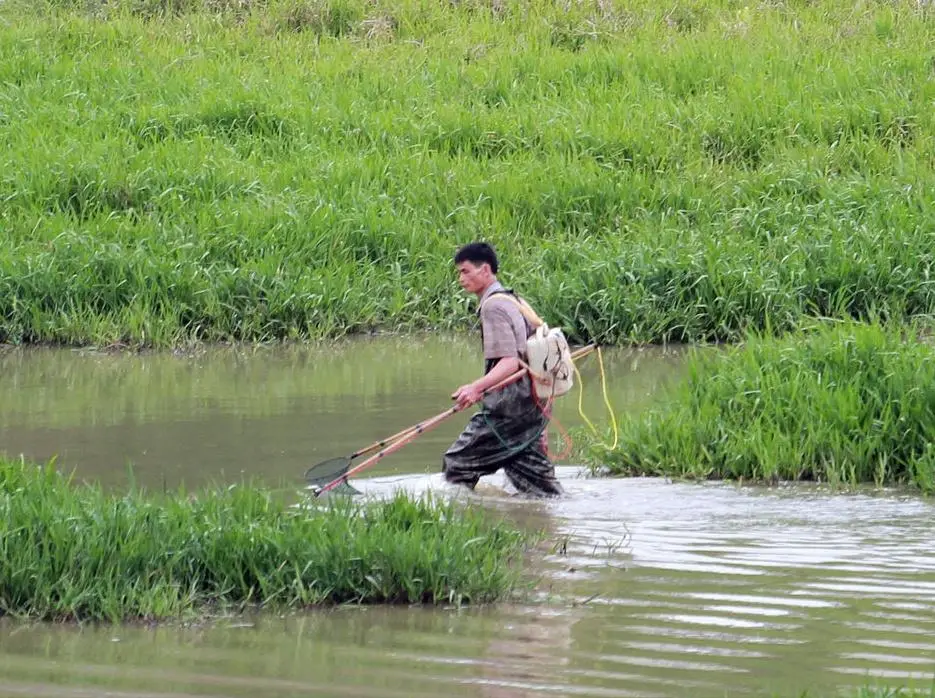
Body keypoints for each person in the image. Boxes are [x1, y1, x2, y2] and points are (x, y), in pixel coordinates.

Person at [442, 242, 564, 497]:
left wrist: (475, 388)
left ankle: (466, 521)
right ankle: (546, 524)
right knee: (537, 486)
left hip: (509, 409)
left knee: (457, 465)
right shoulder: (514, 299)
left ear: (485, 270)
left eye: (465, 271)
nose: (461, 278)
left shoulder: (493, 306)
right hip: (532, 404)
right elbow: (533, 357)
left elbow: (509, 362)